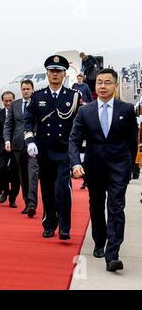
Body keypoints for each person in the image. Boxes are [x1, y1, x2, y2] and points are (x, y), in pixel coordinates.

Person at [70, 68, 138, 272]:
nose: (102, 86)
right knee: (97, 206)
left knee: (116, 207)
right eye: (99, 82)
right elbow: (74, 139)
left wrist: (131, 165)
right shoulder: (85, 111)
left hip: (119, 167)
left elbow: (132, 141)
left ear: (115, 85)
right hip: (94, 167)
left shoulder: (126, 110)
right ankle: (99, 241)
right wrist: (76, 163)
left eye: (107, 82)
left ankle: (113, 254)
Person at [24, 55, 82, 240]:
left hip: (64, 151)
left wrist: (80, 153)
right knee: (47, 189)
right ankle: (49, 223)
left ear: (64, 74)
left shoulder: (73, 96)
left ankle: (65, 227)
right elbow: (28, 122)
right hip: (44, 151)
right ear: (47, 74)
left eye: (58, 71)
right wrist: (30, 141)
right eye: (51, 71)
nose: (55, 74)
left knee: (62, 189)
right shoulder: (37, 96)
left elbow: (78, 125)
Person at [4, 80, 39, 217]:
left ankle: (32, 204)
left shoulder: (37, 103)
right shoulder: (14, 105)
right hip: (17, 145)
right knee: (23, 175)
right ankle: (27, 203)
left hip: (34, 144)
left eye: (28, 89)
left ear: (32, 89)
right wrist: (7, 140)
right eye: (23, 89)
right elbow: (8, 124)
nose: (25, 91)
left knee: (33, 174)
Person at [0, 91, 20, 208]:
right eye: (6, 101)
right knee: (2, 168)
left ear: (14, 100)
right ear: (2, 101)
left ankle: (12, 198)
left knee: (15, 174)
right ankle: (5, 191)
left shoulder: (19, 112)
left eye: (10, 100)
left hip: (16, 147)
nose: (8, 103)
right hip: (2, 146)